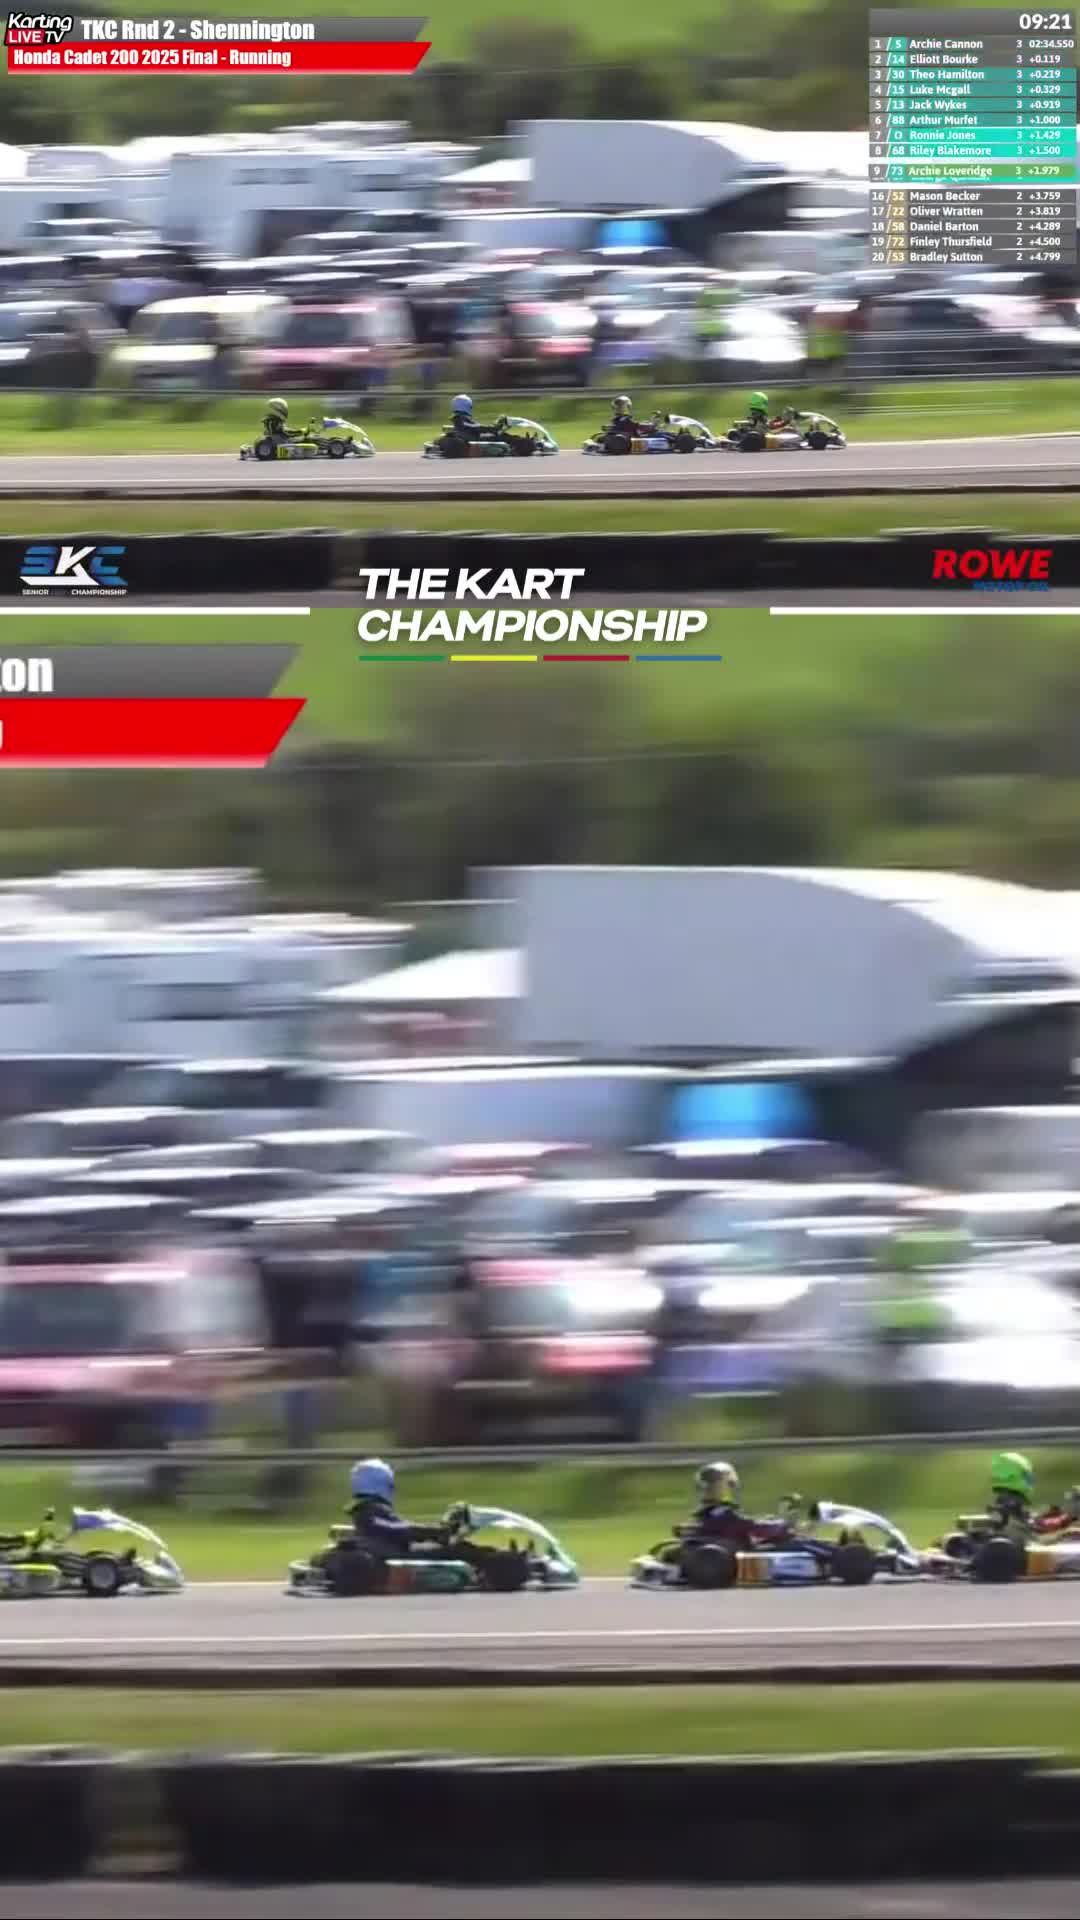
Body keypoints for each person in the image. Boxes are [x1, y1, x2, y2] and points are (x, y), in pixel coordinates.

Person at [680, 1460, 796, 1553]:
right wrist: (782, 1524)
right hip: (737, 1561)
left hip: (723, 1557)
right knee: (796, 1545)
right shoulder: (723, 1514)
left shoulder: (702, 1515)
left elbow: (745, 1525)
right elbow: (754, 1528)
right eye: (729, 1484)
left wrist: (770, 1522)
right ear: (723, 1486)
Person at [348, 1458, 448, 1556]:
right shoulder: (369, 1512)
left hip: (392, 1555)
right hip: (388, 1560)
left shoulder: (364, 1510)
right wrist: (438, 1532)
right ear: (381, 1485)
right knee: (453, 1551)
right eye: (390, 1486)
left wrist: (435, 1533)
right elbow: (399, 1530)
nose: (393, 1490)